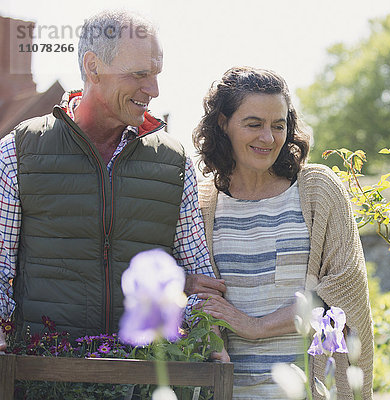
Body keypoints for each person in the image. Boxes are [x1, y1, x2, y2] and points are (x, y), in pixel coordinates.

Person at [0, 10, 226, 352]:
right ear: (94, 68)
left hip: (146, 376)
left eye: (155, 74)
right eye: (139, 74)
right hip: (43, 374)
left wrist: (207, 341)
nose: (154, 89)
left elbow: (197, 277)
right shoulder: (17, 151)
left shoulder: (174, 162)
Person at [188, 66, 374, 399]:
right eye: (253, 124)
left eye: (279, 125)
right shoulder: (202, 203)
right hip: (228, 391)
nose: (269, 138)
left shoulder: (317, 190)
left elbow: (344, 292)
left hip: (311, 389)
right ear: (222, 123)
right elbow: (189, 290)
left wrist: (255, 326)